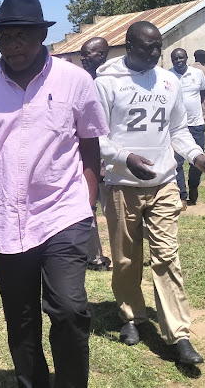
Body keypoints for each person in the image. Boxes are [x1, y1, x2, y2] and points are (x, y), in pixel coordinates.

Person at [0, 0, 109, 388]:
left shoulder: (75, 82)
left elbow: (90, 145)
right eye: (6, 36)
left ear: (41, 35)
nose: (13, 43)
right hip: (5, 219)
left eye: (23, 35)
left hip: (62, 213)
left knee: (69, 310)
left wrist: (86, 204)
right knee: (20, 318)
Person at [94, 21, 205, 365]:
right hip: (123, 185)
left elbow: (178, 129)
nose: (156, 53)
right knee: (125, 258)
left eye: (159, 47)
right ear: (129, 46)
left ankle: (178, 333)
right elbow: (96, 137)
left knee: (167, 256)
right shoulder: (106, 83)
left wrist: (198, 157)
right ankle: (132, 316)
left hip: (164, 182)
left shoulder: (168, 81)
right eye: (149, 47)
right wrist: (125, 158)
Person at [80, 36, 113, 272]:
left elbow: (109, 128)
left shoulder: (109, 83)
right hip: (86, 159)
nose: (82, 58)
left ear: (101, 55)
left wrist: (103, 160)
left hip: (109, 159)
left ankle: (146, 247)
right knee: (86, 207)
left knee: (114, 212)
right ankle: (95, 257)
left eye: (87, 54)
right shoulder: (83, 82)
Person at [170, 48, 205, 206]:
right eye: (175, 59)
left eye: (181, 58)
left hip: (196, 124)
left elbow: (202, 94)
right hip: (176, 126)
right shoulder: (168, 75)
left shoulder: (197, 74)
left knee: (198, 160)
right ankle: (182, 195)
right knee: (176, 162)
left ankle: (194, 187)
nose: (178, 61)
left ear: (186, 58)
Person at [190, 49, 205, 120]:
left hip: (188, 100)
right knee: (201, 121)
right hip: (202, 100)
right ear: (204, 58)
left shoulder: (188, 68)